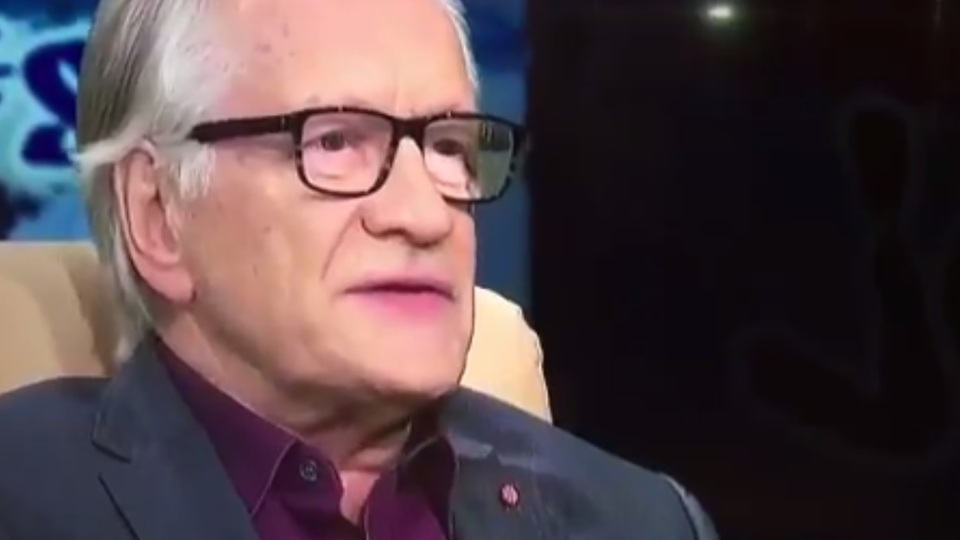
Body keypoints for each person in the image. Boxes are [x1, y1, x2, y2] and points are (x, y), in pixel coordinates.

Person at [0, 0, 718, 538]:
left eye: (448, 147)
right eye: (334, 141)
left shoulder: (644, 520)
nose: (426, 216)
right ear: (159, 215)